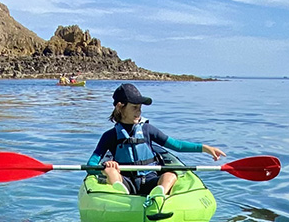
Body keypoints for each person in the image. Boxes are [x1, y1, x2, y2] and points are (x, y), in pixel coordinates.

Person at [87, 83, 224, 210]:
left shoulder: (147, 130)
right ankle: (119, 194)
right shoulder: (110, 136)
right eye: (134, 108)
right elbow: (91, 163)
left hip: (149, 179)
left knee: (171, 174)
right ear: (119, 107)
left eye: (140, 108)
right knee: (111, 171)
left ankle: (159, 194)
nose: (138, 112)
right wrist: (105, 169)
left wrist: (204, 148)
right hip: (126, 180)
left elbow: (176, 145)